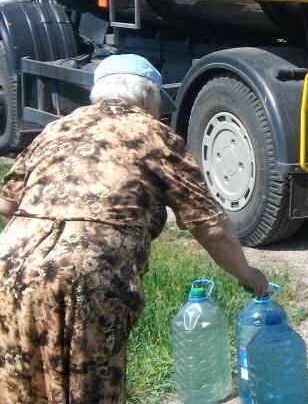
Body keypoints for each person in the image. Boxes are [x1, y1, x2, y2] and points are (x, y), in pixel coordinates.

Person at [0, 54, 268, 404]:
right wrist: (249, 275)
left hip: (10, 265)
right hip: (90, 275)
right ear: (147, 98)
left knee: (23, 385)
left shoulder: (57, 128)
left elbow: (6, 204)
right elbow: (213, 229)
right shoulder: (156, 136)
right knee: (91, 391)